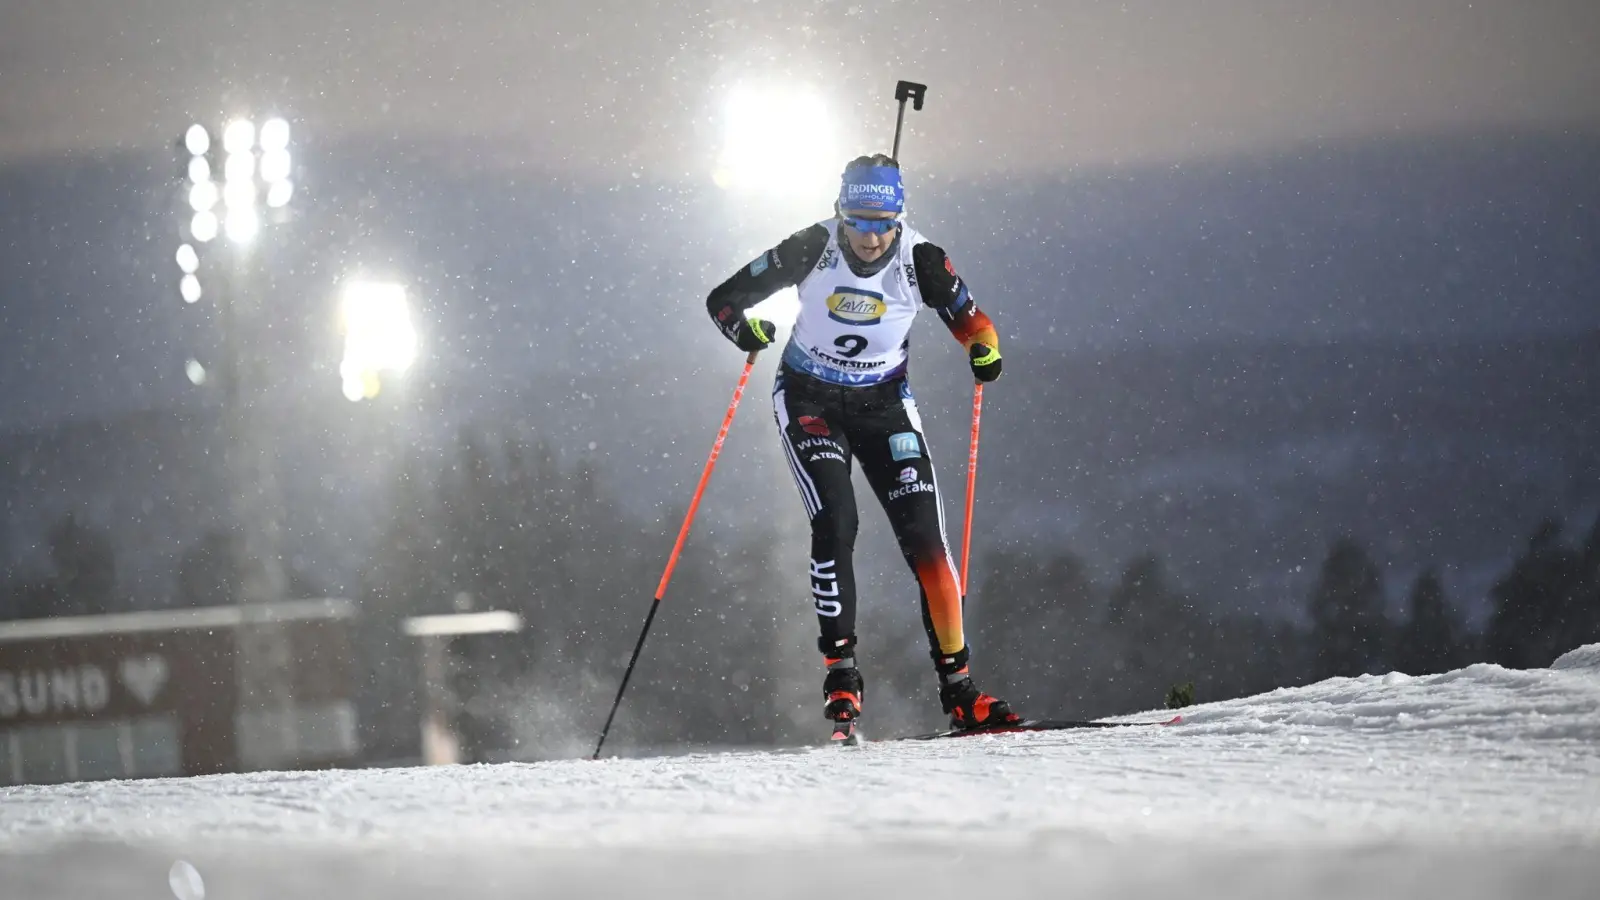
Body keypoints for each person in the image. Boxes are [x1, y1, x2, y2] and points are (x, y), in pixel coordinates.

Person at [704, 153, 1020, 738]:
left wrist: (984, 350)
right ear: (839, 213)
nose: (871, 236)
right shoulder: (809, 247)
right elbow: (723, 299)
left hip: (884, 406)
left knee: (927, 539)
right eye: (859, 220)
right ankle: (842, 673)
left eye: (884, 222)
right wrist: (743, 330)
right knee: (836, 521)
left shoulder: (922, 260)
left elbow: (977, 324)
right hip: (809, 399)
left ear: (899, 217)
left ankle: (961, 692)